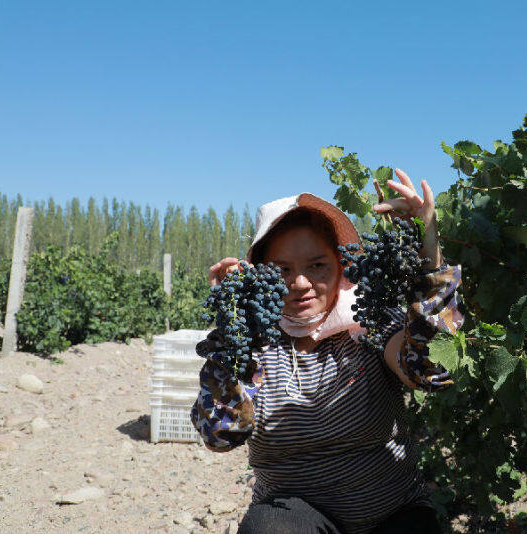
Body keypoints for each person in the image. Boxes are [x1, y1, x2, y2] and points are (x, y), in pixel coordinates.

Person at [191, 169, 464, 534]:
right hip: (295, 516)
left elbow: (427, 369)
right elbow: (221, 434)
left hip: (393, 515)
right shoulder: (255, 346)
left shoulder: (369, 323)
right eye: (282, 270)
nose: (300, 283)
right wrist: (233, 326)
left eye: (317, 266)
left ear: (342, 268)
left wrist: (429, 246)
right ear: (261, 275)